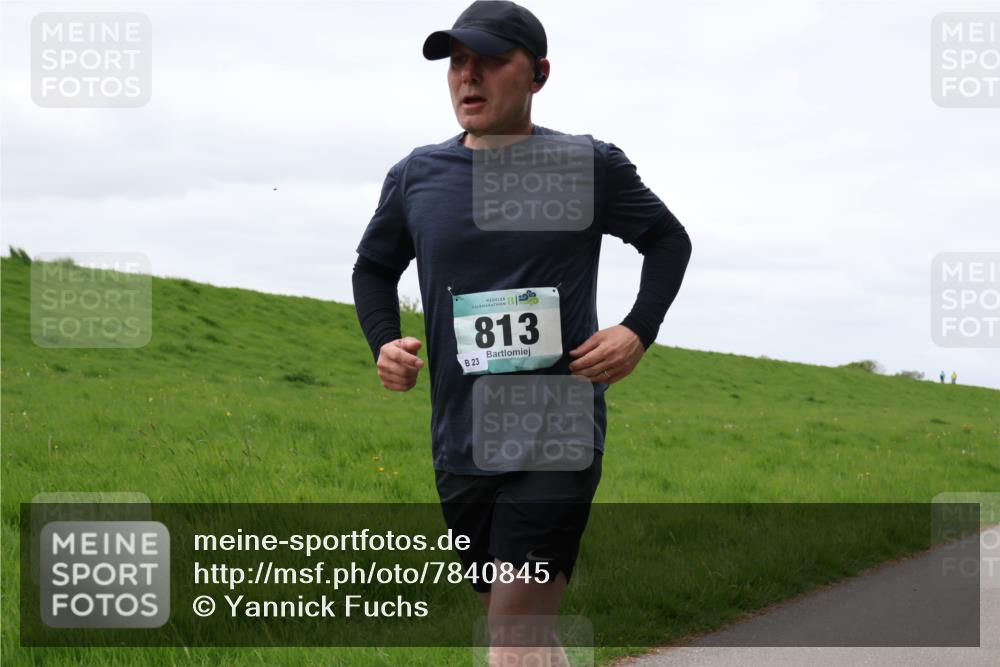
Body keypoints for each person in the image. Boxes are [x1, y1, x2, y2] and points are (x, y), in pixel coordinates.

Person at [352, 1, 691, 663]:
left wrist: (636, 330)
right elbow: (373, 266)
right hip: (461, 438)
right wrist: (383, 341)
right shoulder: (418, 176)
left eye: (488, 61)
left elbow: (666, 240)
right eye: (456, 62)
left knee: (509, 635)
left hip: (555, 436)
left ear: (537, 74)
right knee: (521, 630)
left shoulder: (585, 163)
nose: (467, 77)